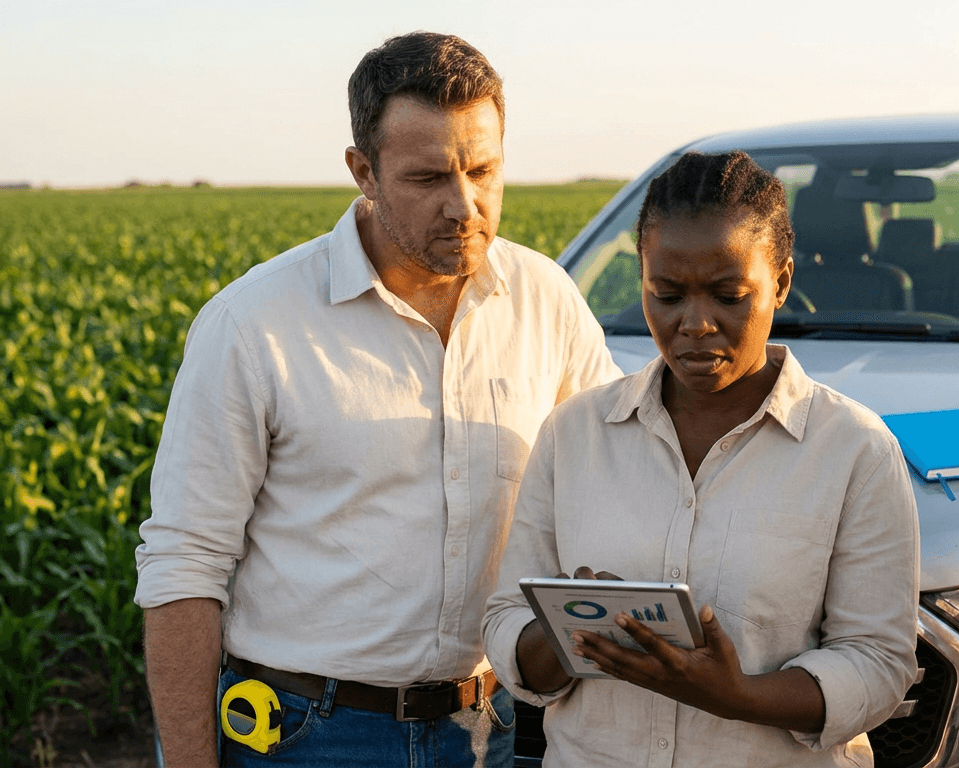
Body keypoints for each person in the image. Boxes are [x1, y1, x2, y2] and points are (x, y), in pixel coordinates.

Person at [134, 32, 619, 767]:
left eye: (483, 170)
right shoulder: (253, 324)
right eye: (428, 179)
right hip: (304, 734)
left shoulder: (546, 300)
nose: (465, 205)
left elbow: (618, 479)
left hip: (489, 727)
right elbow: (182, 565)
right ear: (363, 170)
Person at [483, 150, 921, 767]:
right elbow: (505, 620)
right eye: (666, 294)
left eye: (728, 295)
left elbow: (878, 662)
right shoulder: (575, 433)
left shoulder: (854, 449)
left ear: (783, 282)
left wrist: (740, 696)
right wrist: (571, 635)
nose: (695, 323)